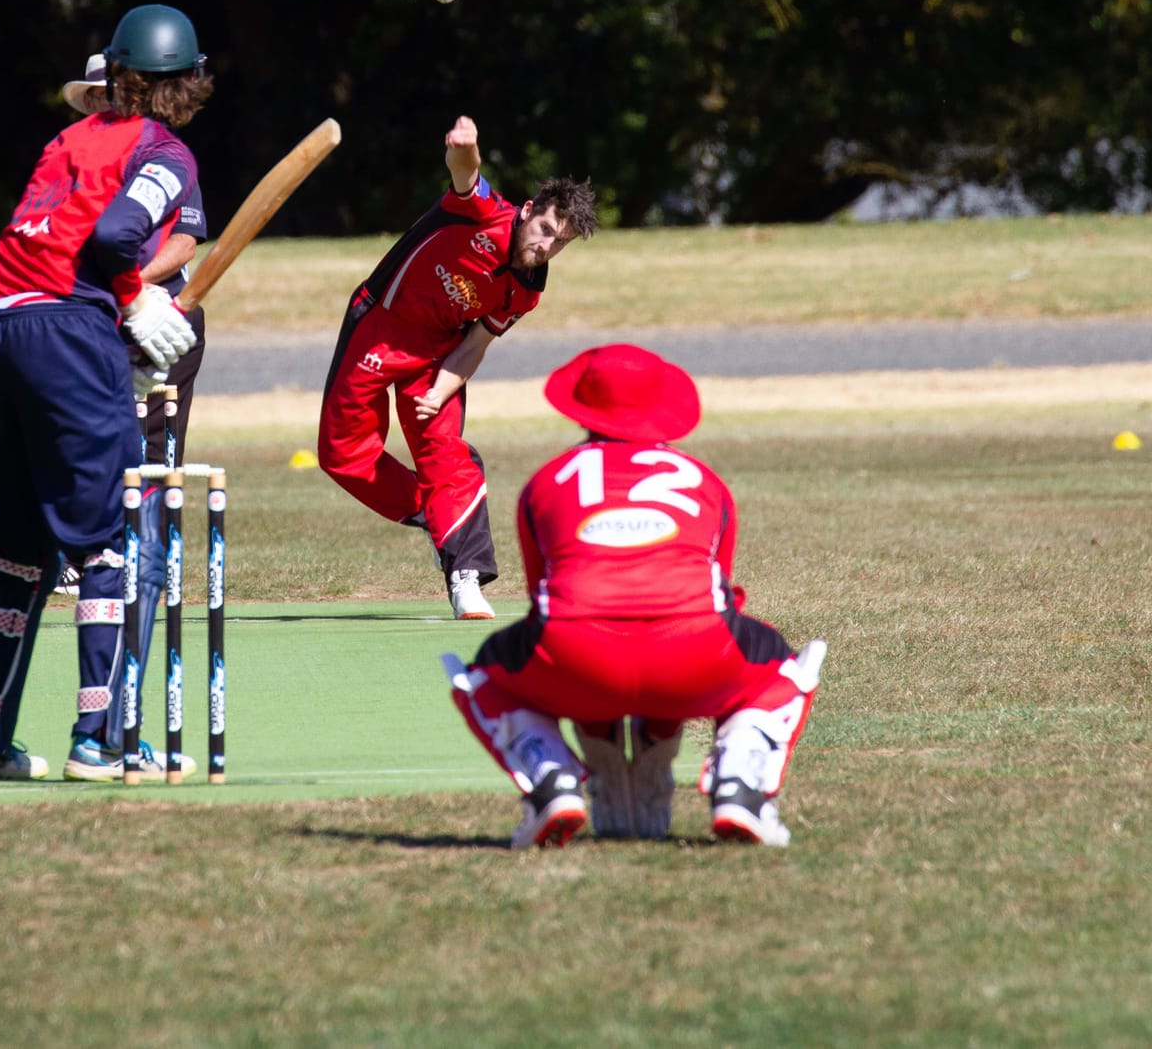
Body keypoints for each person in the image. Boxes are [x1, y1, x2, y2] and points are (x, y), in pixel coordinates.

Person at [0, 5, 210, 783]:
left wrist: (114, 317)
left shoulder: (67, 138)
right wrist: (135, 301)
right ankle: (106, 738)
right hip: (63, 327)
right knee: (113, 537)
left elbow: (56, 234)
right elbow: (118, 238)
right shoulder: (165, 151)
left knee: (16, 542)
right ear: (185, 82)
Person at [441, 343, 827, 849]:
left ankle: (551, 777)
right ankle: (740, 782)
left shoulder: (545, 482)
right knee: (782, 670)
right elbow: (719, 598)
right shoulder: (706, 481)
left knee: (484, 674)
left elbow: (547, 603)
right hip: (699, 658)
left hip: (572, 660)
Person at [318, 116, 598, 619]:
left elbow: (476, 344)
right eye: (546, 232)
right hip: (381, 322)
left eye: (561, 243)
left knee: (445, 453)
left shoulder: (528, 289)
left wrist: (441, 390)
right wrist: (464, 148)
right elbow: (465, 174)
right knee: (341, 455)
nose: (546, 247)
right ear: (529, 211)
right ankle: (433, 513)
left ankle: (465, 576)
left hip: (438, 353)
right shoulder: (485, 212)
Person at [51, 52, 211, 778]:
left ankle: (108, 724)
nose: (109, 105)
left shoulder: (167, 160)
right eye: (101, 96)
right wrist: (114, 290)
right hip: (86, 324)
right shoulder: (73, 157)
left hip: (157, 325)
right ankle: (94, 727)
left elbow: (186, 237)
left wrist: (143, 290)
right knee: (93, 509)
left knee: (144, 505)